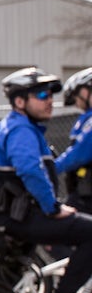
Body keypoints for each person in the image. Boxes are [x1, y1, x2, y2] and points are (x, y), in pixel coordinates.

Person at [0, 67, 92, 293]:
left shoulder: (10, 127)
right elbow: (30, 170)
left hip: (5, 216)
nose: (50, 100)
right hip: (21, 217)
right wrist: (52, 208)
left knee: (7, 287)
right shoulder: (21, 130)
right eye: (41, 94)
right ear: (20, 101)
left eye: (50, 94)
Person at [55, 67, 92, 215]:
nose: (76, 102)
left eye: (77, 96)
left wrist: (50, 168)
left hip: (86, 195)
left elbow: (78, 155)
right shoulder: (86, 119)